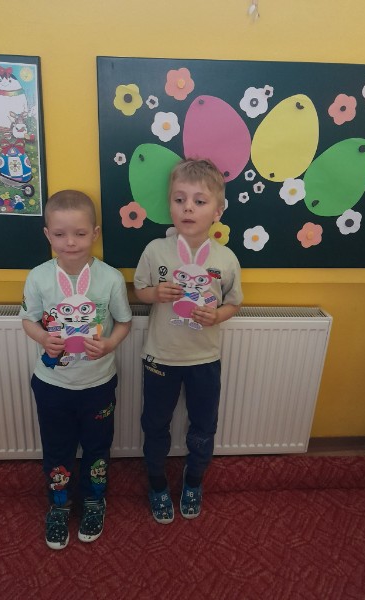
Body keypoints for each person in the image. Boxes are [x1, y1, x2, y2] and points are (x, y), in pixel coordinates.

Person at [20, 190, 132, 549]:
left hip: (98, 384)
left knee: (98, 448)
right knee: (57, 449)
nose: (70, 242)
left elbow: (124, 323)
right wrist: (43, 338)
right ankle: (59, 504)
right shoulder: (38, 277)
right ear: (47, 234)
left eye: (80, 233)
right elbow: (28, 320)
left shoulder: (109, 278)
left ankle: (94, 500)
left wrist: (110, 344)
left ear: (95, 234)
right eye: (60, 234)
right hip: (52, 385)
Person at [134, 158, 243, 524]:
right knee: (154, 425)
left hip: (204, 359)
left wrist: (217, 316)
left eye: (199, 201)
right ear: (170, 205)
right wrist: (155, 293)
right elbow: (139, 291)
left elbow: (233, 303)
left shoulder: (225, 258)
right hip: (160, 358)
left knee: (203, 426)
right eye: (179, 200)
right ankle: (156, 483)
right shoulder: (156, 250)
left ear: (218, 211)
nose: (188, 208)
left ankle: (194, 480)